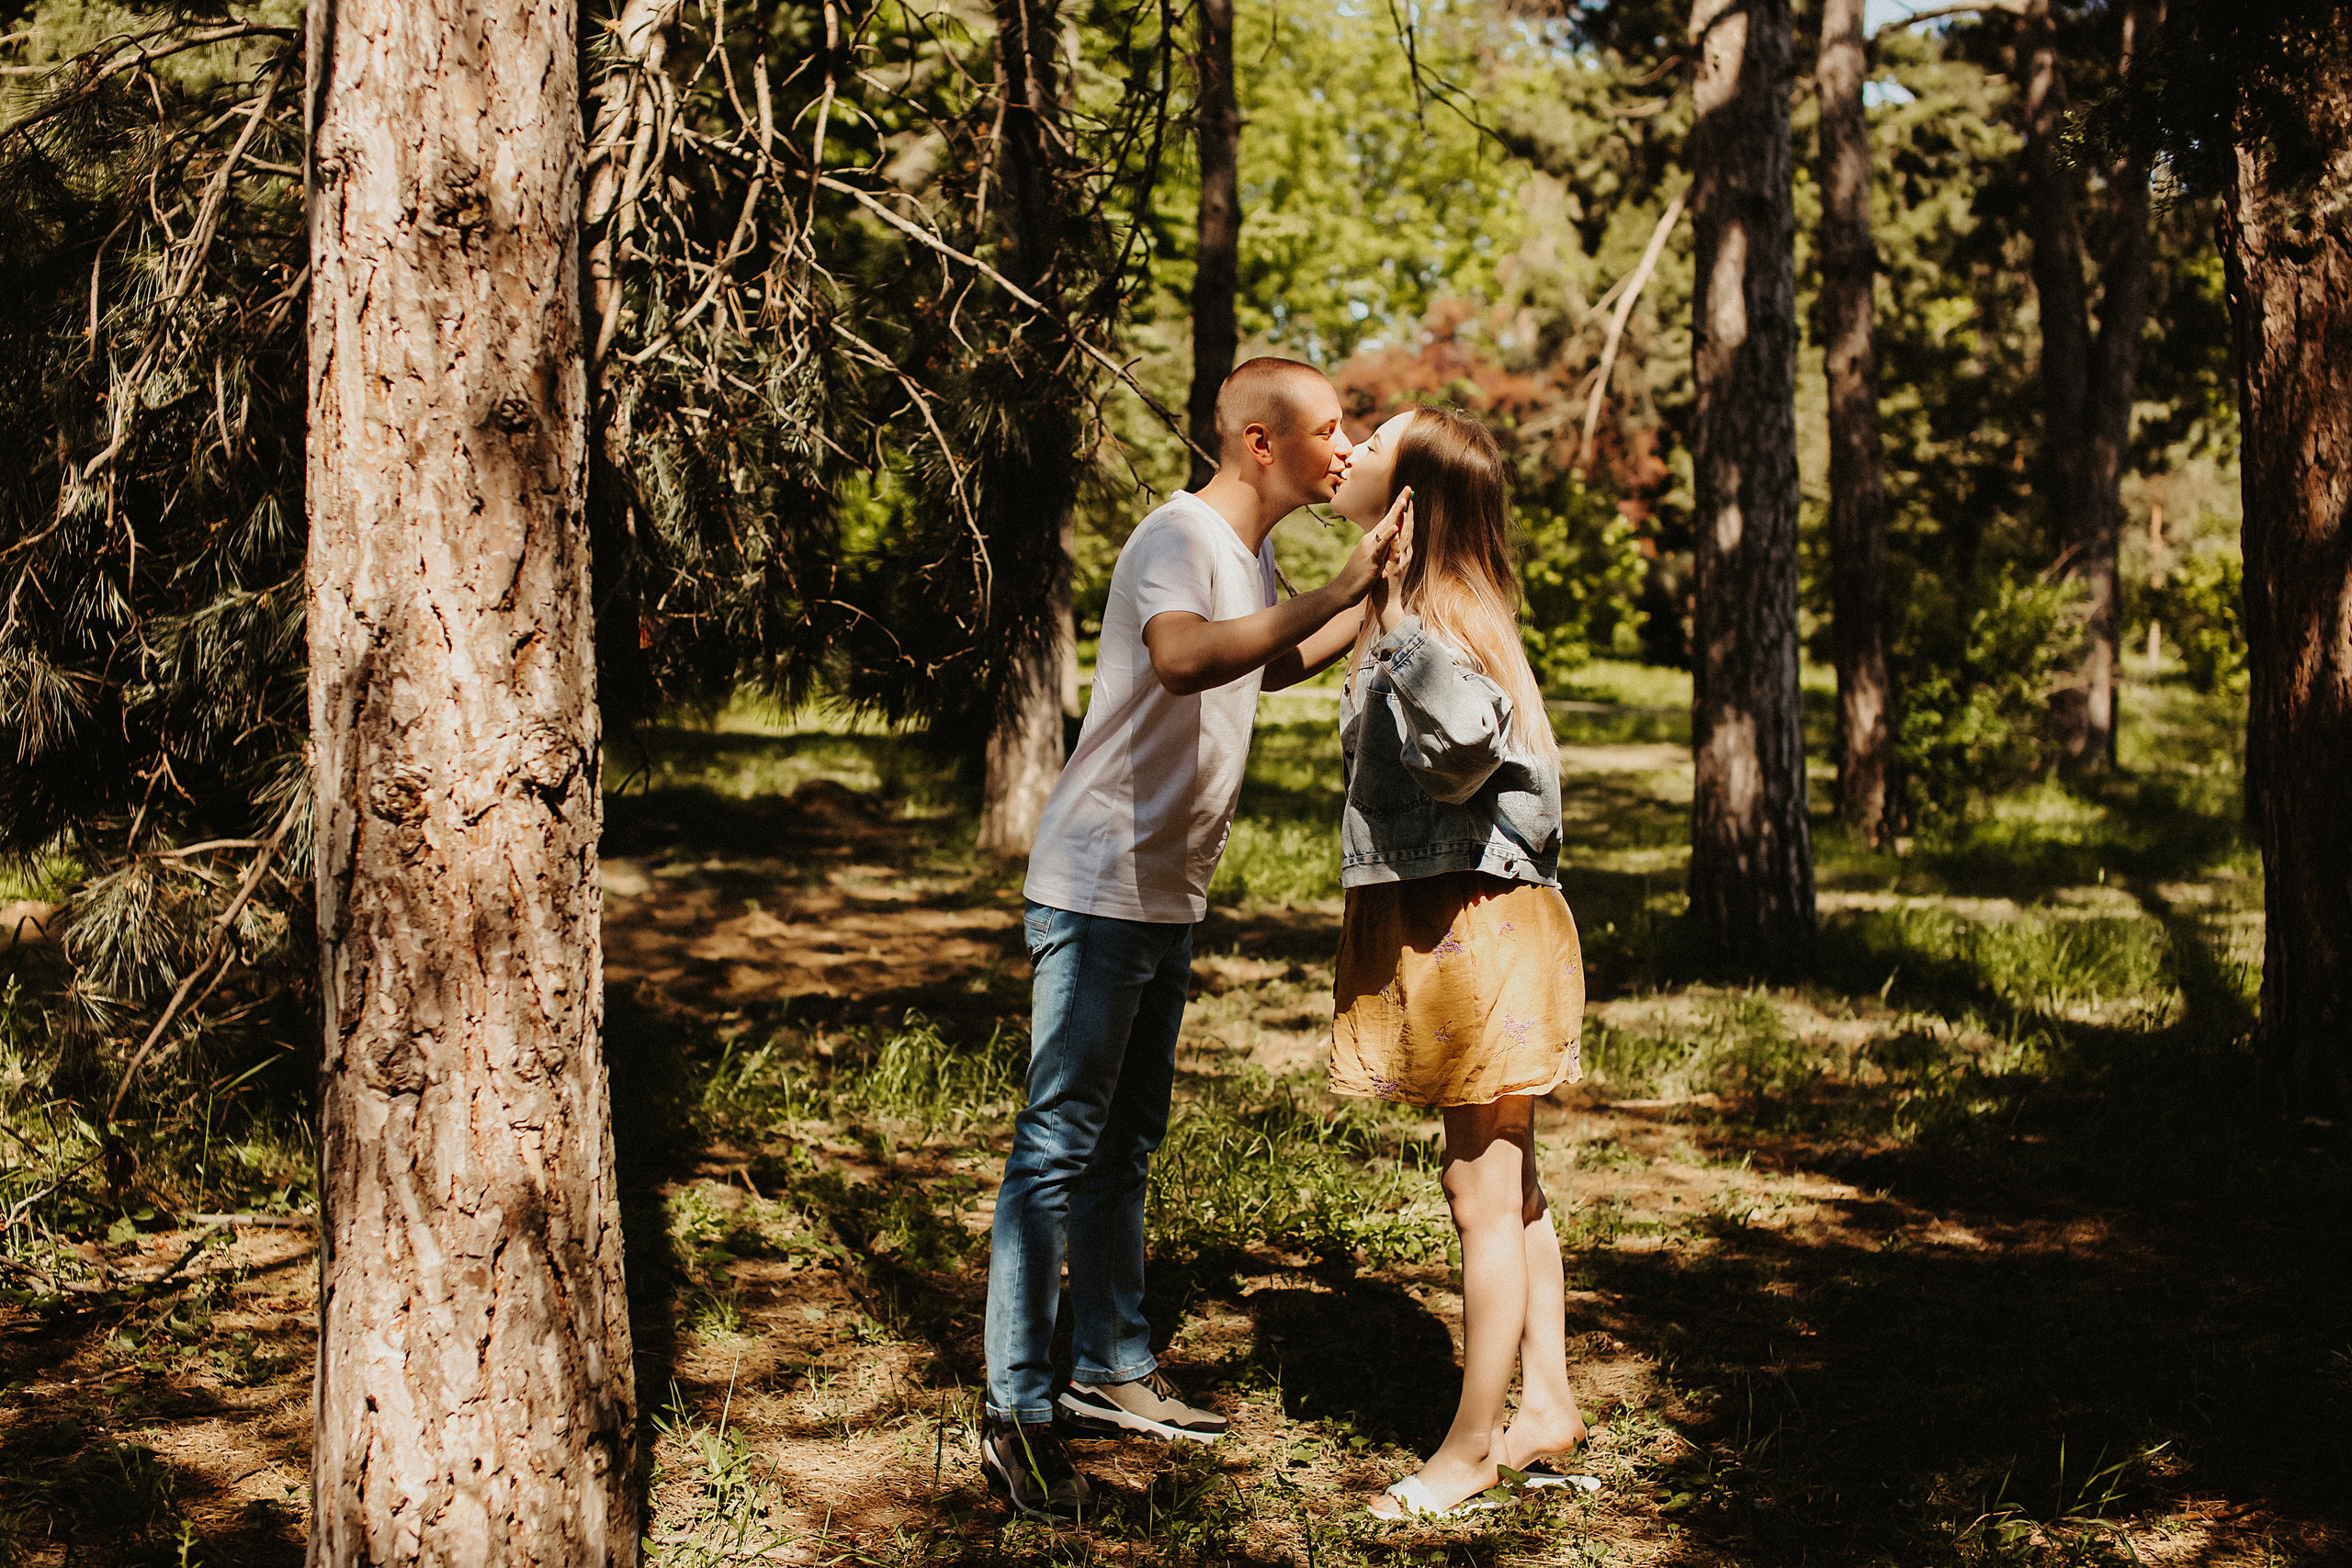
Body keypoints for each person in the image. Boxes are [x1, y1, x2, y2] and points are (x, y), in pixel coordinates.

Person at [979, 357, 1413, 1521]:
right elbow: (1181, 661)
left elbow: (1262, 664)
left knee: (1122, 1147)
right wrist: (1335, 590)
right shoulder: (1176, 535)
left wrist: (1372, 601)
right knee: (1057, 1147)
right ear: (1260, 443)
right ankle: (1015, 1413)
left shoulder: (1248, 556)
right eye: (1329, 430)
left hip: (1165, 890)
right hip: (1098, 881)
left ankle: (1110, 1367)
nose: (1346, 448)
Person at [1321, 402, 1590, 1520]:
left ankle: (1471, 1447)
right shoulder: (1431, 607)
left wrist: (1390, 628)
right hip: (1477, 917)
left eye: (1373, 438)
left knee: (1480, 1189)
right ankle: (1546, 1404)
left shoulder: (1430, 620)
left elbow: (1457, 753)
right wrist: (1360, 597)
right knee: (1505, 1178)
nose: (1351, 445)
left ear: (1407, 503)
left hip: (1473, 923)